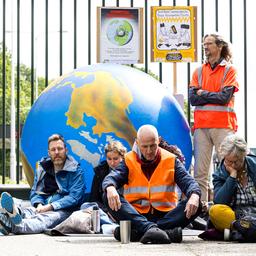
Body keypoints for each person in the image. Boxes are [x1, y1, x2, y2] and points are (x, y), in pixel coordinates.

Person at [102, 124, 201, 244]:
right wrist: (110, 188)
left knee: (198, 204)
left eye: (153, 146)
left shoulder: (171, 159)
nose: (149, 151)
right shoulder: (128, 160)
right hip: (136, 215)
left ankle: (142, 231)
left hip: (166, 216)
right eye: (144, 146)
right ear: (137, 143)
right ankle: (165, 232)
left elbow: (189, 182)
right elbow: (111, 178)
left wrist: (195, 195)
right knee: (107, 196)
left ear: (158, 141)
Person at [0, 134, 85, 235]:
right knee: (20, 204)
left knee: (44, 219)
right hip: (42, 205)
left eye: (60, 149)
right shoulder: (42, 168)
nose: (57, 152)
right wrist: (39, 204)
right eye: (53, 150)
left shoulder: (76, 170)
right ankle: (14, 213)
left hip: (64, 210)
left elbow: (74, 197)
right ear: (49, 153)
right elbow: (35, 192)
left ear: (66, 150)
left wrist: (51, 206)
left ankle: (12, 225)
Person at [189, 33, 239, 203]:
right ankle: (200, 209)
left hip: (223, 126)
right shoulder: (198, 71)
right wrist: (212, 95)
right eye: (204, 44)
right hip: (201, 127)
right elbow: (193, 99)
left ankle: (228, 205)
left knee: (229, 166)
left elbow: (224, 98)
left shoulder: (229, 70)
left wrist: (203, 93)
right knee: (200, 173)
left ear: (220, 46)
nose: (205, 47)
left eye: (209, 43)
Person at [209, 134, 256, 232]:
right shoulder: (219, 174)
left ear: (244, 155)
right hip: (236, 217)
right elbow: (220, 201)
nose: (233, 165)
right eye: (229, 161)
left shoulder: (254, 165)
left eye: (237, 161)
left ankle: (241, 232)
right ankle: (244, 229)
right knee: (215, 211)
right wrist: (232, 176)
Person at [90, 140, 127, 213]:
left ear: (122, 157)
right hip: (106, 212)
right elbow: (94, 199)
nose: (112, 163)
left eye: (115, 159)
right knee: (86, 206)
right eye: (109, 159)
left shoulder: (130, 169)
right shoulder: (100, 171)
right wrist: (107, 211)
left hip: (127, 209)